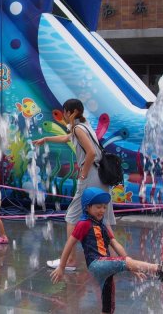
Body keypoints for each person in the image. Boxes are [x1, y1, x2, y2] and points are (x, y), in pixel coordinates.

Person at [51, 187, 163, 313]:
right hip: (97, 263)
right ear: (87, 207)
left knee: (108, 307)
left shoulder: (101, 226)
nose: (102, 210)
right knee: (125, 262)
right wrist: (62, 267)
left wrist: (133, 268)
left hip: (106, 268)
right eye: (98, 207)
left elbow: (116, 244)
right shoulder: (83, 224)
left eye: (104, 207)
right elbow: (70, 244)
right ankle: (159, 269)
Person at [34, 98, 115, 271]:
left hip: (91, 176)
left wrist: (84, 172)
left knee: (72, 215)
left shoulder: (78, 128)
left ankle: (70, 261)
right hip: (99, 176)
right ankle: (114, 258)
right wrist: (46, 138)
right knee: (103, 217)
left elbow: (91, 153)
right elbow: (66, 138)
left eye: (65, 111)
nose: (63, 115)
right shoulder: (83, 127)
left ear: (72, 112)